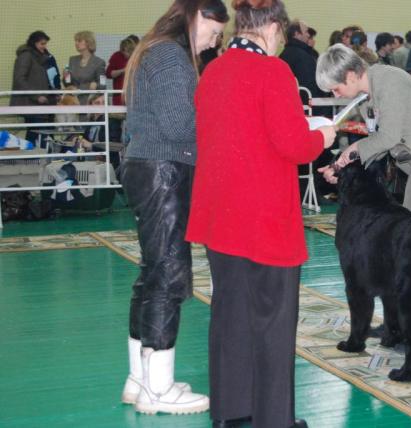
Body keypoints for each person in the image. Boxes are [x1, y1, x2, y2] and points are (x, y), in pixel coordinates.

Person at [186, 1, 336, 427]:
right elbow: (293, 145)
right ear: (273, 27)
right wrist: (322, 134)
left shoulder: (212, 71)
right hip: (264, 219)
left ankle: (232, 415)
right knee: (272, 324)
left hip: (221, 217)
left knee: (229, 317)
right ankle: (274, 420)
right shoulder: (274, 72)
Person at [120, 0, 229, 415]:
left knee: (152, 275)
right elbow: (179, 125)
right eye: (213, 33)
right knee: (169, 277)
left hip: (150, 168)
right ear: (198, 15)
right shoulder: (169, 53)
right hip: (164, 171)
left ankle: (141, 379)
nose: (212, 43)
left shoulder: (157, 50)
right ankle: (159, 389)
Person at [317, 44, 411, 222]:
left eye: (336, 89)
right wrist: (339, 166)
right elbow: (378, 145)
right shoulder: (366, 97)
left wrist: (354, 147)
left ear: (350, 76)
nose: (336, 96)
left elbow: (388, 137)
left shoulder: (389, 81)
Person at [10, 31, 58, 144]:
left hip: (39, 102)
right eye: (42, 44)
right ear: (34, 43)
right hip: (30, 102)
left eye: (45, 44)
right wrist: (36, 96)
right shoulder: (26, 56)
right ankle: (30, 157)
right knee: (36, 132)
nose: (44, 47)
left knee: (36, 133)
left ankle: (31, 157)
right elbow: (19, 79)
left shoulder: (41, 57)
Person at [67, 31, 106, 104]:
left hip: (90, 102)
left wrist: (94, 85)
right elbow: (68, 83)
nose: (76, 43)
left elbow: (103, 85)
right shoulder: (72, 60)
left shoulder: (100, 62)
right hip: (73, 102)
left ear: (88, 43)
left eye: (79, 41)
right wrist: (66, 77)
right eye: (76, 41)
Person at [106, 37, 137, 105]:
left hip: (134, 96)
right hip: (119, 96)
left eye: (128, 51)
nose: (126, 53)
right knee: (119, 115)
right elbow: (108, 74)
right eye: (124, 51)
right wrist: (123, 71)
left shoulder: (137, 57)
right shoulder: (116, 56)